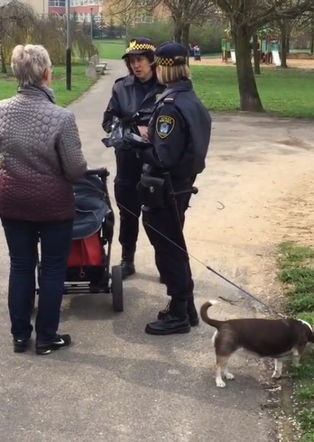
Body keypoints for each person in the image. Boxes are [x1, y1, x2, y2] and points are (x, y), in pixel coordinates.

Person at [0, 44, 88, 355]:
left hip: (13, 198)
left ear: (17, 74)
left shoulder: (2, 109)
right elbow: (75, 169)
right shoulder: (61, 118)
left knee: (20, 266)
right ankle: (47, 337)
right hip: (52, 204)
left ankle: (20, 335)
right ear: (47, 73)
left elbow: (1, 146)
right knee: (52, 269)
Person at [131, 42, 212, 336]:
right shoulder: (191, 100)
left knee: (168, 250)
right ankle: (186, 307)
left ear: (164, 67)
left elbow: (163, 157)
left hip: (165, 188)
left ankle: (178, 311)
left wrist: (138, 145)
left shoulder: (170, 106)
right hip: (181, 185)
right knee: (175, 245)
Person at [102, 37, 166, 280]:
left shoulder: (164, 87)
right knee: (129, 213)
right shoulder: (121, 87)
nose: (135, 65)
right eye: (131, 61)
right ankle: (127, 259)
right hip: (127, 160)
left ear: (152, 61)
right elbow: (108, 122)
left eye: (140, 60)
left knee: (158, 215)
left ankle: (164, 262)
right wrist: (132, 129)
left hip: (155, 163)